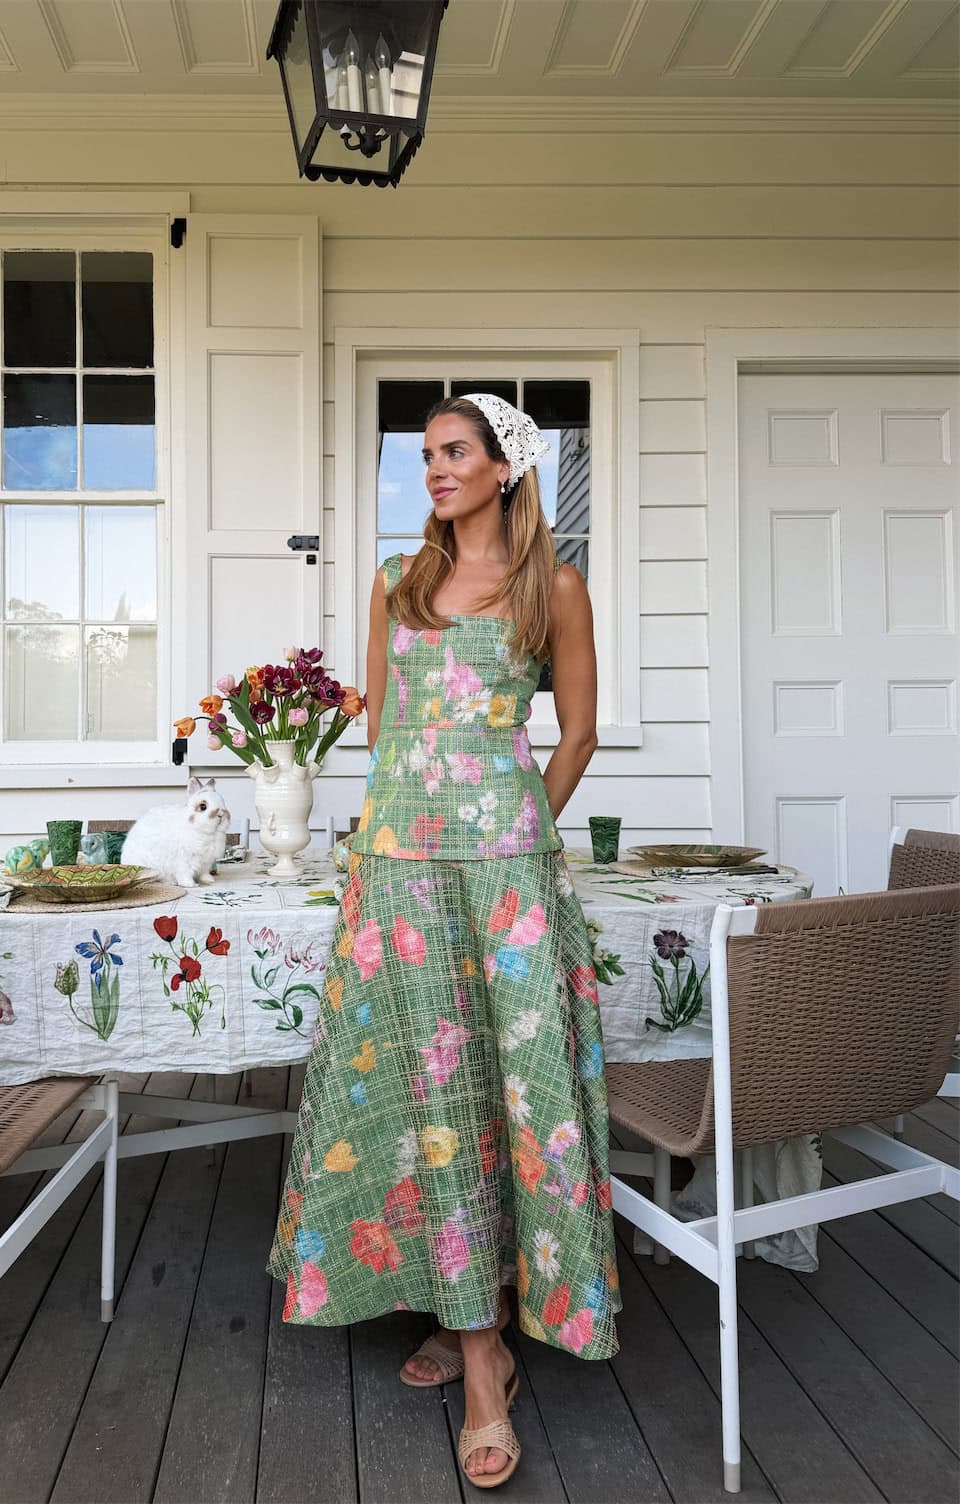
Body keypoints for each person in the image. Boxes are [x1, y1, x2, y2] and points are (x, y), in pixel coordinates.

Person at [267, 393, 619, 1488]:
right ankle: (468, 1318)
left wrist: (519, 824)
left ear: (505, 468)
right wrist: (406, 829)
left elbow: (579, 732)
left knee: (511, 1092)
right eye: (425, 456)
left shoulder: (552, 587)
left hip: (503, 877)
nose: (435, 470)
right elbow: (383, 733)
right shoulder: (396, 581)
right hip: (399, 871)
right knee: (424, 1098)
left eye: (455, 452)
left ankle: (483, 1360)